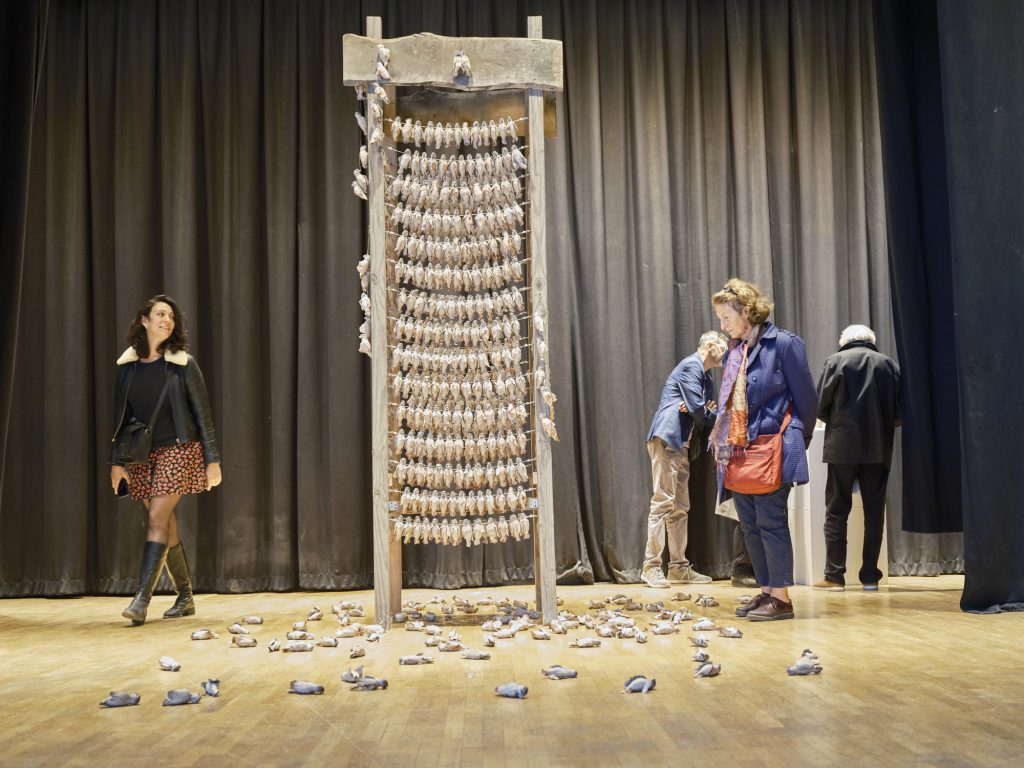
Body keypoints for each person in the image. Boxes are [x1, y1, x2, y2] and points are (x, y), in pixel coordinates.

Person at [110, 295, 222, 625]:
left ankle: (141, 600)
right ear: (144, 321)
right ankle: (185, 596)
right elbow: (120, 420)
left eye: (171, 316)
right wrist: (116, 463)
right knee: (165, 521)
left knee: (157, 516)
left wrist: (212, 460)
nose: (167, 320)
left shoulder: (183, 364)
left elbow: (203, 416)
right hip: (142, 455)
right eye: (160, 314)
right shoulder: (127, 369)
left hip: (179, 449)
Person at [710, 279, 817, 621]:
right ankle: (767, 590)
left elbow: (808, 401)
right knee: (750, 526)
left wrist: (795, 438)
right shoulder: (735, 350)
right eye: (720, 319)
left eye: (726, 317)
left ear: (746, 311)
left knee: (771, 522)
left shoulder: (783, 344)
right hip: (739, 451)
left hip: (773, 447)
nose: (722, 325)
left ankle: (782, 599)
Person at [813, 324, 901, 591]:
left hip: (842, 447)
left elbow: (820, 406)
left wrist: (836, 422)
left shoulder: (835, 361)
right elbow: (899, 411)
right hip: (878, 447)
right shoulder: (888, 364)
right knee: (874, 513)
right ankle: (870, 576)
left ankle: (834, 576)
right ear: (870, 340)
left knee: (836, 511)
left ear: (845, 341)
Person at [642, 331, 728, 588]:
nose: (727, 353)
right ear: (710, 345)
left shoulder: (706, 378)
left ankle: (678, 567)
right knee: (663, 502)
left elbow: (704, 411)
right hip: (667, 438)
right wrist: (699, 409)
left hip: (682, 444)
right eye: (724, 347)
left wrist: (699, 409)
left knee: (680, 507)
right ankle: (651, 567)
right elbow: (701, 413)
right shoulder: (691, 366)